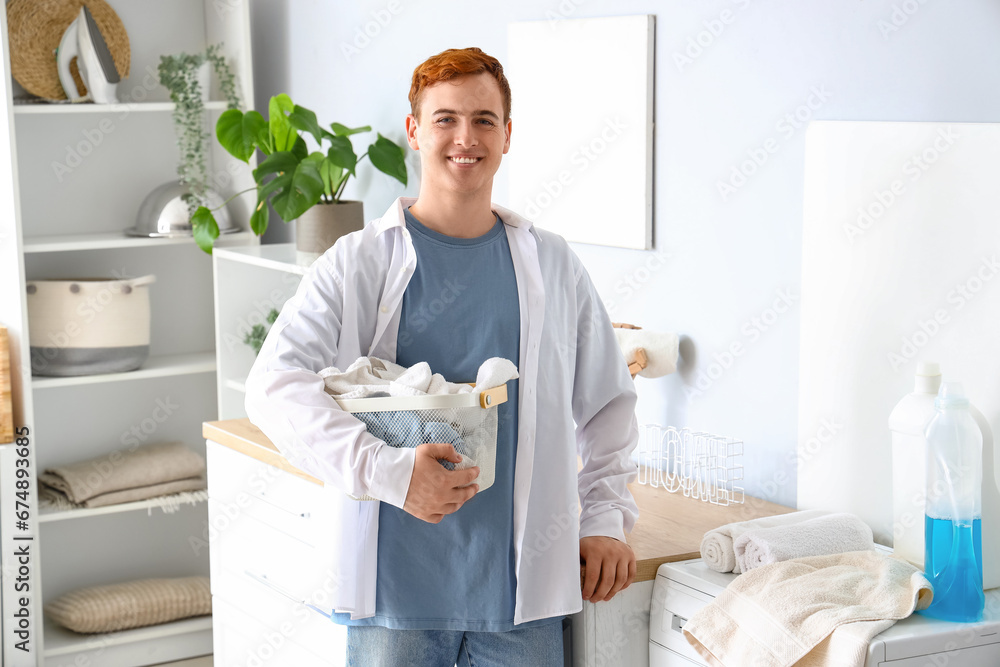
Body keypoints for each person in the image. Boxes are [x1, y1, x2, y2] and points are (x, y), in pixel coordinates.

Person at [245, 47, 639, 666]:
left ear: (507, 136)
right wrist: (388, 472)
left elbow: (607, 404)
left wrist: (606, 518)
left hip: (518, 597)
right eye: (445, 119)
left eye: (484, 120)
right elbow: (273, 385)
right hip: (394, 598)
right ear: (414, 131)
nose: (466, 137)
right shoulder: (358, 260)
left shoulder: (553, 263)